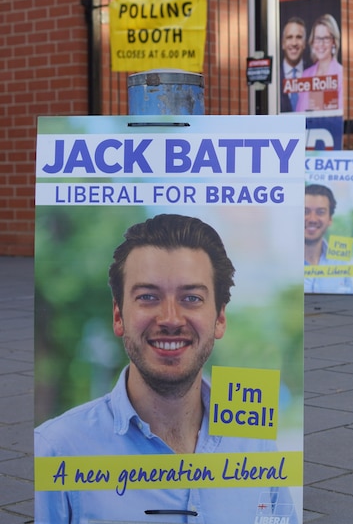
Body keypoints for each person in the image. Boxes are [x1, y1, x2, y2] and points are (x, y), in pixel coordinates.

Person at [34, 214, 298, 524]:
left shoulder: (254, 438)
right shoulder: (55, 449)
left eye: (191, 298)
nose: (171, 318)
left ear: (220, 318)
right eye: (148, 297)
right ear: (118, 316)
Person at [305, 184, 353, 294]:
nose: (312, 219)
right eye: (305, 212)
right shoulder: (282, 265)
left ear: (330, 219)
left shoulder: (340, 262)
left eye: (320, 212)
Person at [295, 14, 343, 113]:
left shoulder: (342, 75)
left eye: (325, 38)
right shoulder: (306, 75)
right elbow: (298, 114)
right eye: (317, 38)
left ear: (333, 42)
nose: (321, 44)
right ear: (312, 42)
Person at [280, 16, 306, 113]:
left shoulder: (314, 73)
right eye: (289, 37)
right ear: (283, 43)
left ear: (304, 43)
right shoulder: (274, 77)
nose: (294, 43)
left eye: (298, 37)